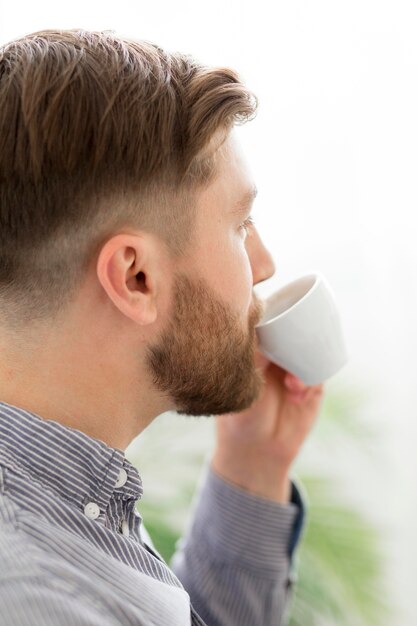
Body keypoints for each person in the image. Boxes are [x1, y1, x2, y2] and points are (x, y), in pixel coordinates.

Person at [0, 29, 324, 626]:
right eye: (241, 224)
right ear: (135, 277)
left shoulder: (68, 502)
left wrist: (255, 465)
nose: (265, 265)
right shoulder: (34, 598)